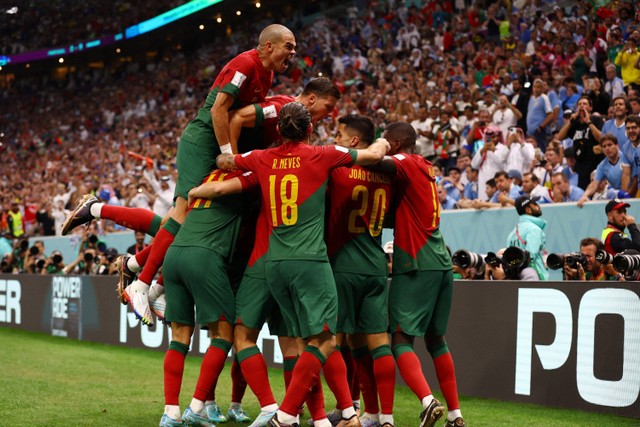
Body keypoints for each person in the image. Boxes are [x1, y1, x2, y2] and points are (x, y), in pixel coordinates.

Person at [62, 24, 297, 326]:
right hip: (204, 143)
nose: (293, 52)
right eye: (288, 46)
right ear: (267, 46)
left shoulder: (267, 75)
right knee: (184, 217)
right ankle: (142, 284)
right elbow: (220, 111)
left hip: (219, 149)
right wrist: (228, 152)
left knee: (183, 224)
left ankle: (119, 243)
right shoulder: (246, 64)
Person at [189, 102, 390, 427]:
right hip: (309, 261)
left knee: (298, 342)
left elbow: (226, 162)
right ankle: (288, 414)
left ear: (280, 131)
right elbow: (372, 156)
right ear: (309, 130)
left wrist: (219, 164)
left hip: (275, 265)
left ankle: (322, 418)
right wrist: (383, 143)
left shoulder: (261, 158)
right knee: (324, 340)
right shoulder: (322, 155)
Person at [376, 122, 465, 427]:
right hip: (441, 261)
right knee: (436, 339)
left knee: (400, 338)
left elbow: (381, 162)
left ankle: (428, 401)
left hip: (416, 262)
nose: (383, 145)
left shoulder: (405, 161)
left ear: (397, 143)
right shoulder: (426, 167)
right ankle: (456, 415)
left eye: (386, 141)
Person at [158, 168, 261, 427]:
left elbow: (165, 222)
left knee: (179, 338)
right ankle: (196, 407)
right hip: (206, 255)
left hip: (173, 254)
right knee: (224, 335)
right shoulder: (248, 177)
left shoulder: (206, 175)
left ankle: (170, 413)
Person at [327, 114, 396, 427]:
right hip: (375, 264)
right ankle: (383, 416)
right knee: (376, 343)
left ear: (354, 141)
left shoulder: (339, 170)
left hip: (343, 265)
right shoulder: (387, 175)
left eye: (340, 134)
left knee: (334, 342)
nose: (336, 139)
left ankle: (347, 411)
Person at [555, 96, 604, 190]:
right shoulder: (575, 123)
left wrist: (588, 122)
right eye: (579, 104)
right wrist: (570, 121)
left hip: (595, 165)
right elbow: (559, 137)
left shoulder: (596, 119)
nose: (582, 106)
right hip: (581, 167)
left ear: (590, 108)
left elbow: (601, 139)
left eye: (585, 104)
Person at [577, 134, 631, 207]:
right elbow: (594, 184)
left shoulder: (626, 156)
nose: (607, 148)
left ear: (617, 146)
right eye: (604, 146)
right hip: (619, 198)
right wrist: (584, 196)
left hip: (633, 194)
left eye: (609, 145)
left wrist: (626, 196)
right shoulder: (602, 166)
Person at [506, 196, 549, 280]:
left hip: (515, 278)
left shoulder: (512, 234)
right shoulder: (534, 230)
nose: (539, 206)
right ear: (528, 210)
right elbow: (531, 258)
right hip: (533, 278)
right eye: (535, 204)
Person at [470, 125, 508, 201]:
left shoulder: (503, 148)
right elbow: (474, 165)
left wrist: (493, 151)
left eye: (493, 137)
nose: (491, 140)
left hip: (497, 183)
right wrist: (482, 152)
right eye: (489, 138)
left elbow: (503, 167)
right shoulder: (482, 148)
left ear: (498, 137)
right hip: (483, 184)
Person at [525, 79, 553, 150]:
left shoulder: (544, 98)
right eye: (534, 87)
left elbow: (550, 114)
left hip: (539, 131)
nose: (536, 89)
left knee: (541, 150)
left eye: (538, 87)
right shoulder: (531, 98)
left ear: (542, 88)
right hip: (530, 132)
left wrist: (541, 127)